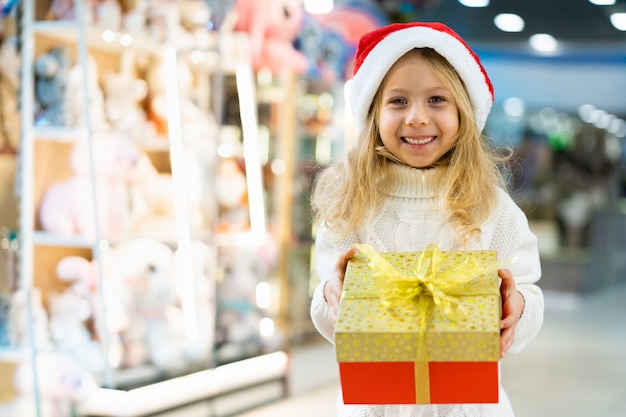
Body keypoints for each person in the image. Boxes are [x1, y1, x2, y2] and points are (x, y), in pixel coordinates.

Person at [309, 22, 544, 417]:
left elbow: (528, 292)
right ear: (373, 113)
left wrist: (516, 303)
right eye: (398, 101)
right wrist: (333, 296)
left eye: (436, 99)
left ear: (463, 113)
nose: (417, 117)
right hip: (375, 407)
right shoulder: (351, 205)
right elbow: (325, 306)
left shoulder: (492, 209)